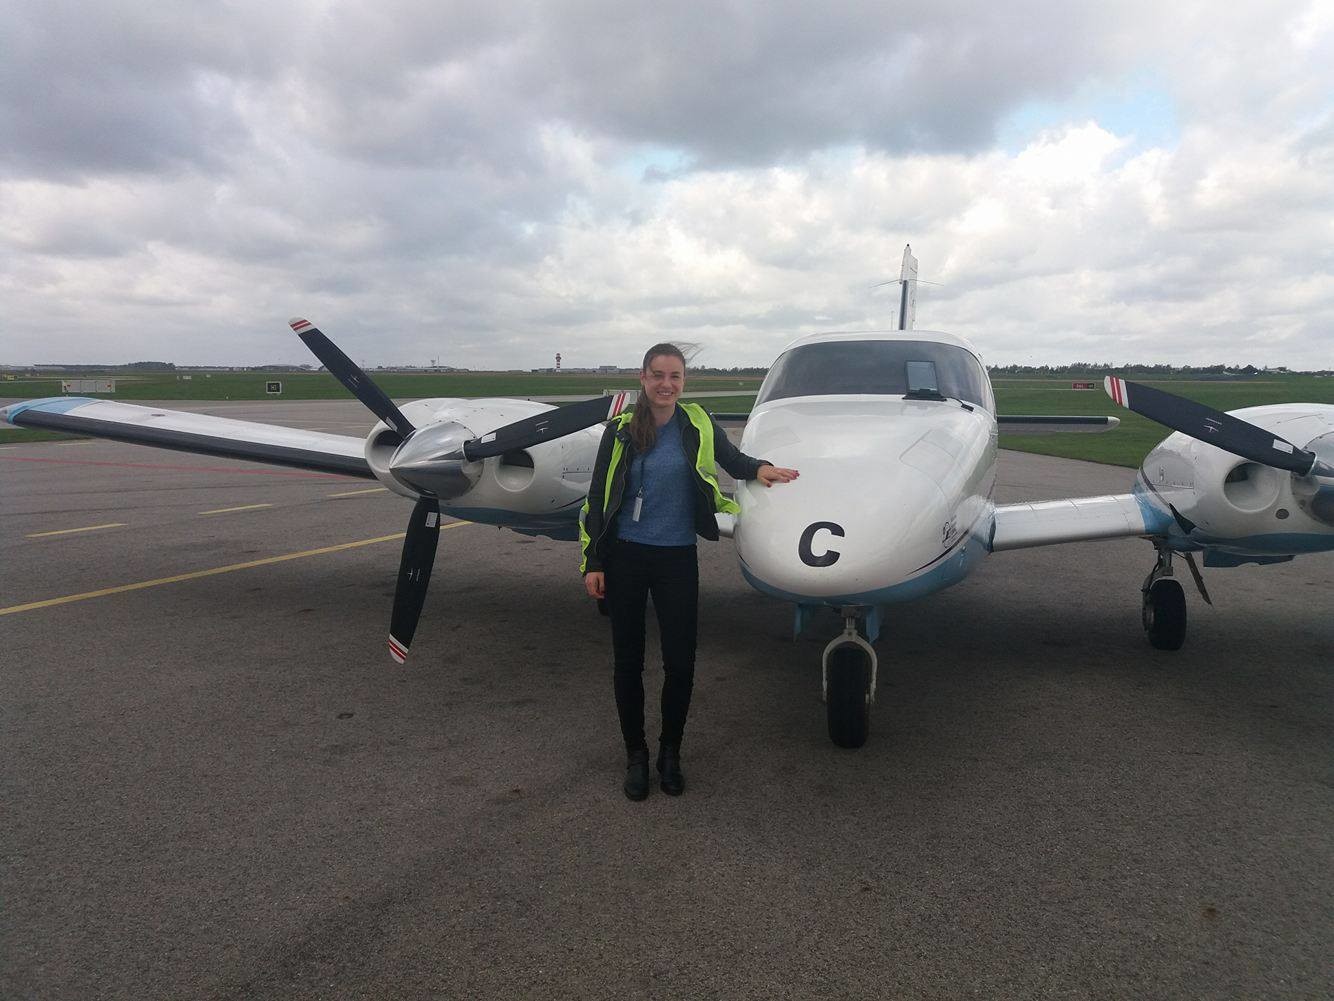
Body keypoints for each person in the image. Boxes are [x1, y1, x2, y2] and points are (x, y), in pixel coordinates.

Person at [579, 343, 799, 800]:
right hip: (625, 557)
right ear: (643, 378)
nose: (666, 384)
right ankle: (636, 756)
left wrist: (762, 469)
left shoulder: (697, 421)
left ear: (683, 381)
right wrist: (594, 562)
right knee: (628, 663)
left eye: (675, 376)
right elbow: (598, 498)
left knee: (681, 663)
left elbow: (732, 460)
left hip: (676, 557)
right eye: (658, 375)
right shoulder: (620, 430)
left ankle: (670, 753)